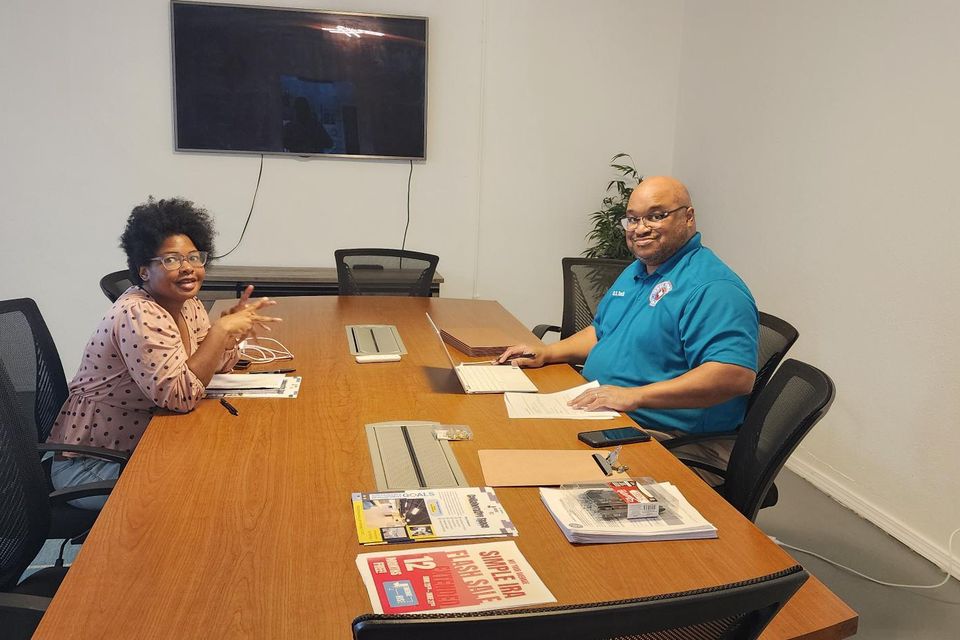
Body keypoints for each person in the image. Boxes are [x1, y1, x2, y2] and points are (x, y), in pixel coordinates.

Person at [498, 176, 758, 476]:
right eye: (633, 219)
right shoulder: (639, 271)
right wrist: (547, 353)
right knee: (507, 435)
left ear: (688, 217)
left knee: (532, 470)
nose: (641, 228)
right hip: (611, 414)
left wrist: (634, 396)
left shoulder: (712, 287)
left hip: (669, 437)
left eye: (656, 216)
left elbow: (734, 376)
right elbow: (602, 332)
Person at [47, 197, 281, 508]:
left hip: (142, 444)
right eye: (171, 260)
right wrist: (220, 333)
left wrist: (226, 338)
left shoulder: (186, 304)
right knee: (213, 487)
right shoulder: (139, 313)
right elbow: (180, 396)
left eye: (194, 258)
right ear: (144, 270)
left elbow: (207, 370)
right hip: (93, 465)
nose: (188, 269)